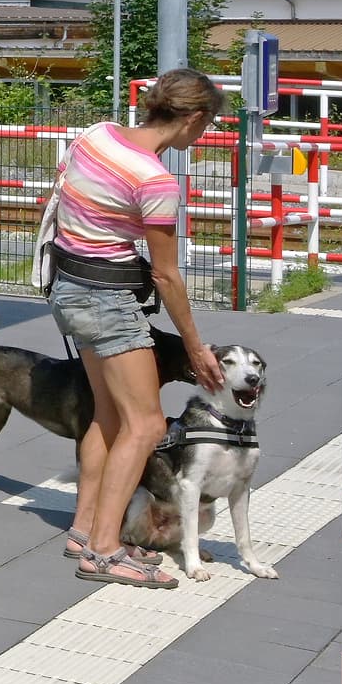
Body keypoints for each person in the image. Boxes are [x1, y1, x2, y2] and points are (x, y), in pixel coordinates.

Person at [49, 65, 228, 587]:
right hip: (108, 302)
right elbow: (167, 275)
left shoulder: (96, 135)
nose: (203, 135)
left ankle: (85, 529)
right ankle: (104, 551)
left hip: (69, 286)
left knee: (109, 417)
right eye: (207, 125)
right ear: (193, 118)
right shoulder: (155, 181)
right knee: (146, 425)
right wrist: (195, 348)